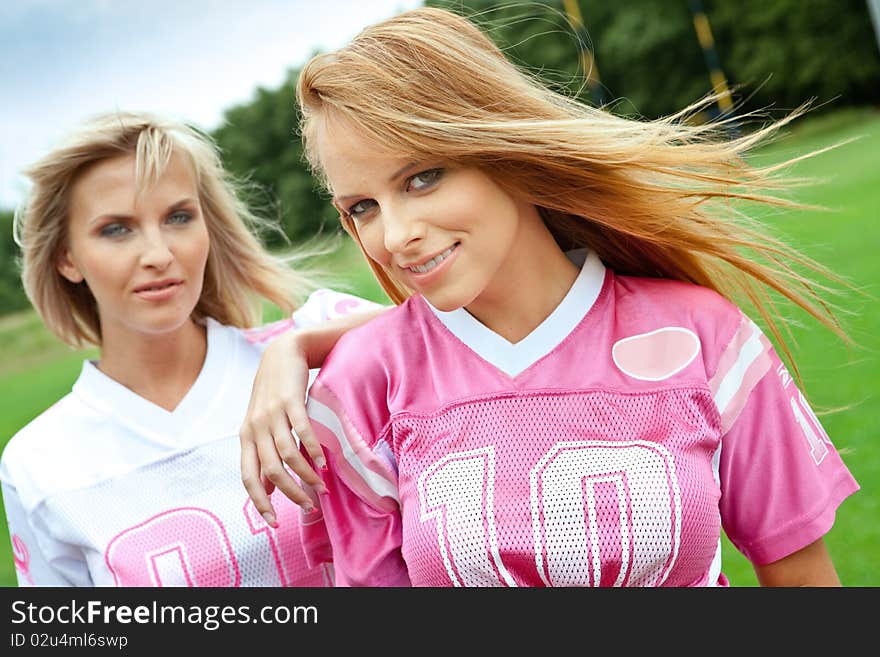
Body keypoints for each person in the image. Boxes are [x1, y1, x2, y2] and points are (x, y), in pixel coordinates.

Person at [240, 7, 859, 586]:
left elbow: (804, 584)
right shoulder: (357, 391)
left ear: (503, 152)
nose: (397, 235)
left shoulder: (705, 334)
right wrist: (291, 348)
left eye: (422, 178)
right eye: (363, 208)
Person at [0, 111, 383, 586]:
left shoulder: (320, 339)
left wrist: (298, 349)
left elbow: (452, 326)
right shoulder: (39, 461)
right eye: (116, 229)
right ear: (66, 257)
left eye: (179, 217)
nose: (159, 255)